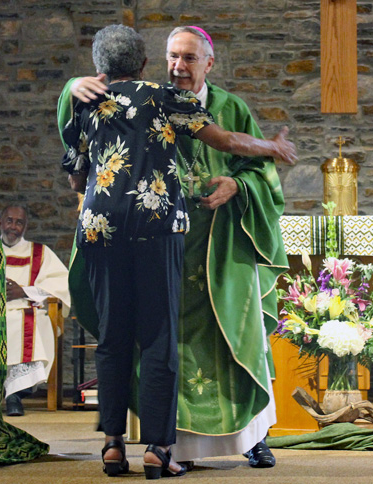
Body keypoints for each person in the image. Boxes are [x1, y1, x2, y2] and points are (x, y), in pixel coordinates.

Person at [59, 24, 296, 480]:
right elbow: (225, 141)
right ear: (150, 62)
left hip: (117, 232)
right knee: (160, 341)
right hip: (159, 230)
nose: (179, 66)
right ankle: (158, 450)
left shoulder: (85, 102)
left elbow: (74, 173)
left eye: (189, 58)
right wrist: (275, 146)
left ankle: (112, 446)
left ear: (209, 62)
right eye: (172, 57)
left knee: (112, 340)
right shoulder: (165, 98)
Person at [0, 205, 71, 417]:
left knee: (31, 323)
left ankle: (16, 394)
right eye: (9, 221)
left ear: (26, 227)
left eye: (19, 222)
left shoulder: (40, 253)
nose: (13, 227)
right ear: (0, 222)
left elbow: (61, 285)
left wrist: (24, 291)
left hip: (26, 309)